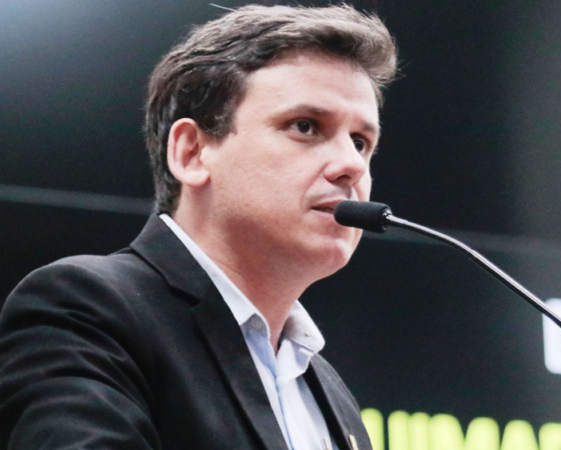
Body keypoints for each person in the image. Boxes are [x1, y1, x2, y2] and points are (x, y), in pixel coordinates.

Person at [0, 4, 397, 449]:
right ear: (191, 152)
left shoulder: (330, 392)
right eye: (305, 126)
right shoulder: (86, 310)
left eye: (361, 142)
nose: (350, 165)